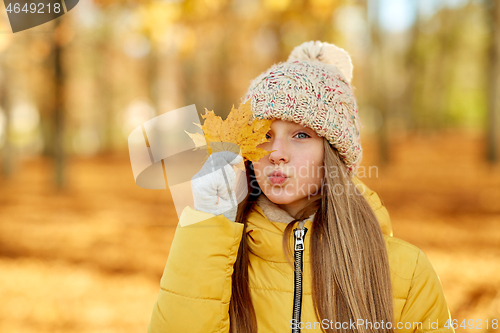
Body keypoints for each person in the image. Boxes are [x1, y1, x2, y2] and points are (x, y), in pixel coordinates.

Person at [148, 41, 454, 333]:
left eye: (301, 135)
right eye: (264, 134)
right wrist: (209, 225)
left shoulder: (407, 271)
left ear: (334, 154)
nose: (276, 152)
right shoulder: (218, 253)